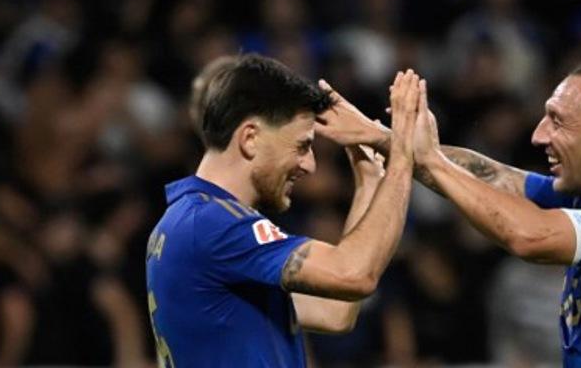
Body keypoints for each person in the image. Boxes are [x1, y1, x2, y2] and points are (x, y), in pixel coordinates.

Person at [317, 58, 581, 366]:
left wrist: (427, 160)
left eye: (558, 121)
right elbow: (498, 180)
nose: (538, 135)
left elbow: (530, 236)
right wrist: (382, 137)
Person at [145, 54, 421, 367]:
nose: (310, 164)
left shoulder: (191, 223)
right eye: (301, 146)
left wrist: (369, 181)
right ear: (250, 138)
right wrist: (403, 156)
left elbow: (335, 311)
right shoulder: (213, 224)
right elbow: (354, 275)